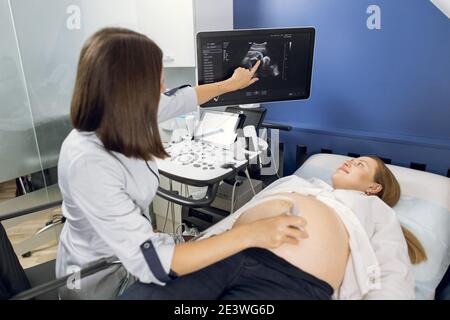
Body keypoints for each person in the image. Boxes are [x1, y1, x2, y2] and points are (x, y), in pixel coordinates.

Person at [56, 27, 308, 299]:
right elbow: (152, 263)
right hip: (100, 276)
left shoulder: (124, 112)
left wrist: (233, 84)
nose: (163, 88)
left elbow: (185, 99)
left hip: (132, 250)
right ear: (129, 90)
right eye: (156, 80)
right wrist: (248, 235)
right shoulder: (89, 162)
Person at [120, 156, 427, 300]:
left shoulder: (375, 210)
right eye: (352, 160)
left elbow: (392, 268)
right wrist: (200, 241)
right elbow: (234, 219)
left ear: (374, 187)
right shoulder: (295, 182)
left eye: (360, 165)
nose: (349, 163)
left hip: (290, 282)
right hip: (225, 252)